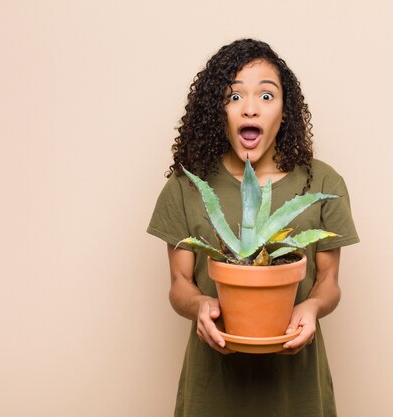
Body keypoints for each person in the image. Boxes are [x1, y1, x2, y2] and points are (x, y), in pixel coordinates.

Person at [147, 39, 359, 417]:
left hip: (297, 392)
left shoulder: (323, 184)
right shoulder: (186, 186)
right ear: (217, 110)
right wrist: (200, 306)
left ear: (284, 110)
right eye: (233, 96)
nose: (249, 108)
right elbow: (180, 284)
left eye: (266, 95)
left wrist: (310, 307)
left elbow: (329, 281)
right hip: (212, 391)